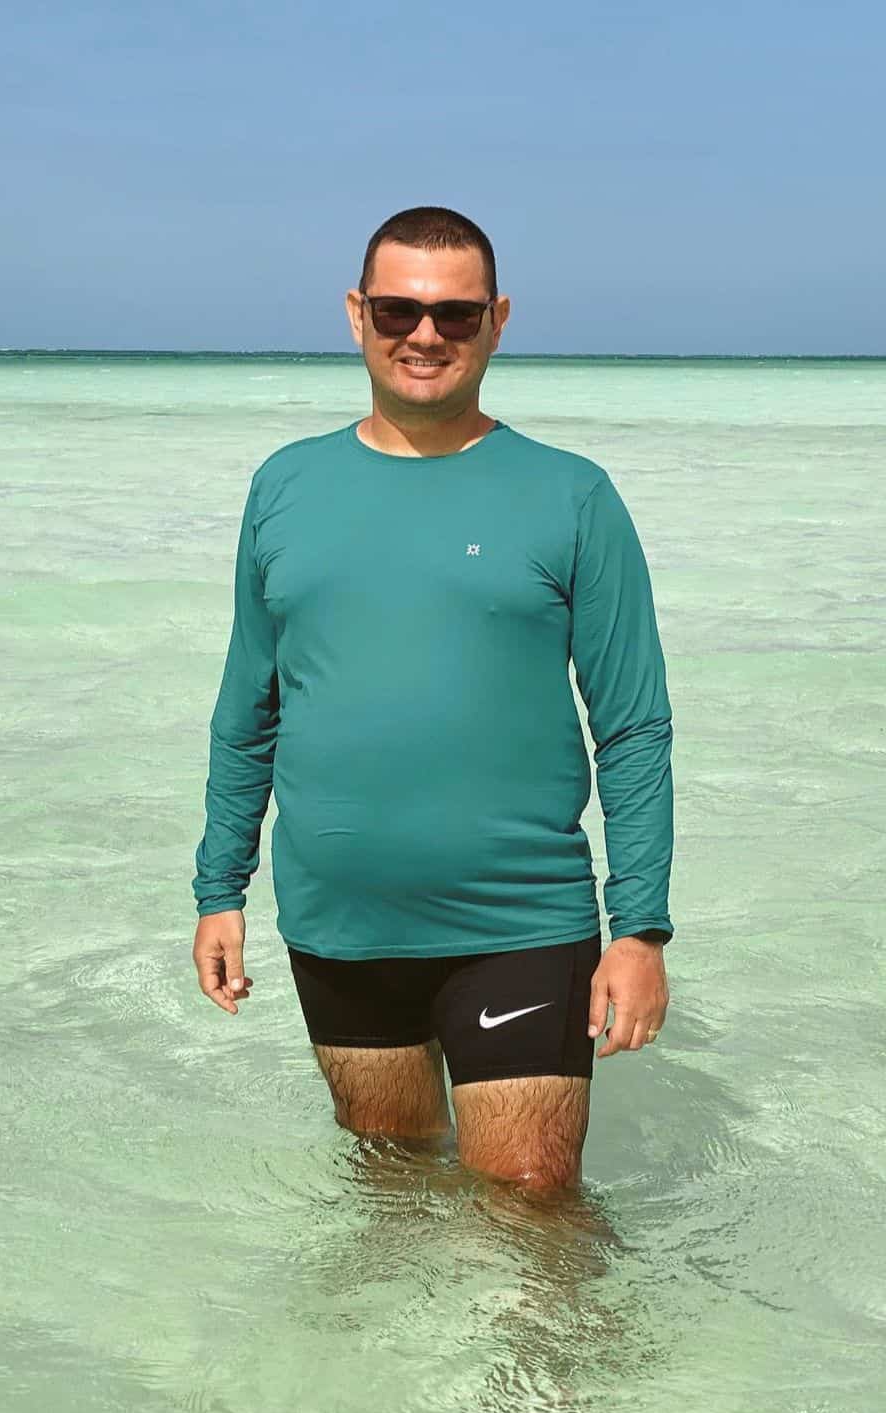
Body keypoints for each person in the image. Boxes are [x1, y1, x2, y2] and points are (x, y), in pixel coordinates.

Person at [191, 206, 674, 1192]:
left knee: (534, 1207)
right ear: (356, 314)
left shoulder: (571, 495)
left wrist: (639, 929)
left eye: (456, 314)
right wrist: (218, 891)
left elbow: (631, 726)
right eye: (398, 310)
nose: (425, 335)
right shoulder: (284, 486)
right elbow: (249, 706)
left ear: (498, 321)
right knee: (394, 1189)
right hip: (339, 923)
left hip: (518, 919)